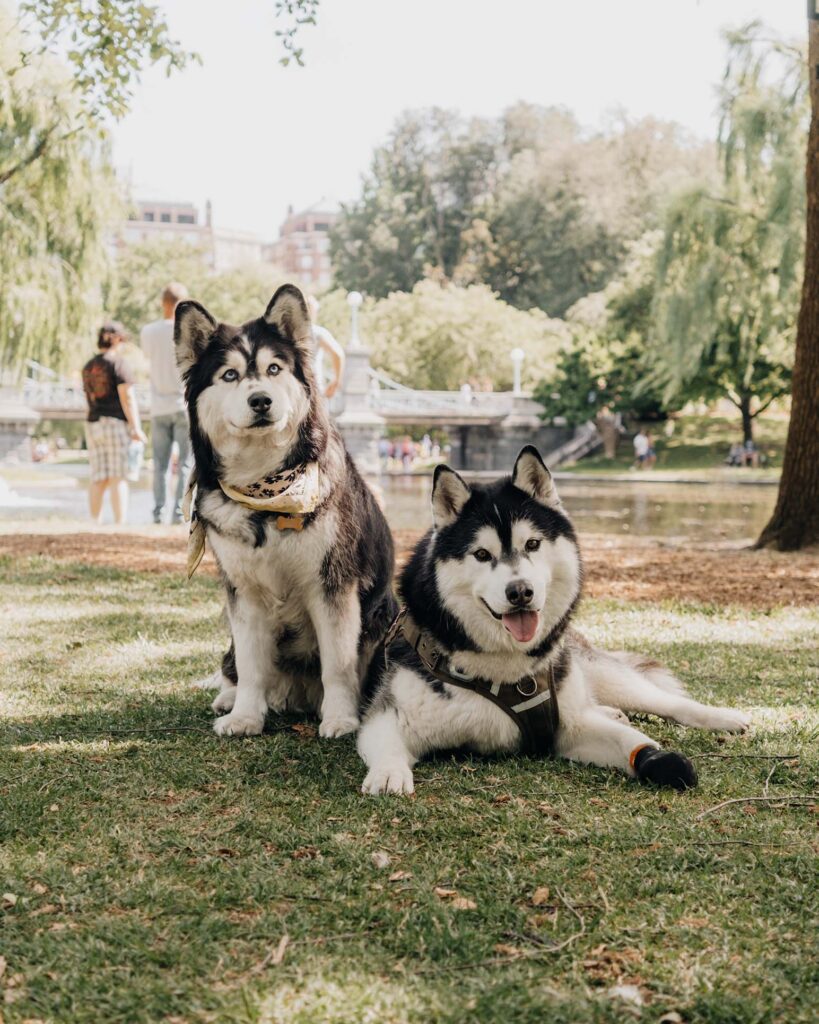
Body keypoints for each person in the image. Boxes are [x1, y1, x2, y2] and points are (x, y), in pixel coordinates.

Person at [82, 322, 146, 524]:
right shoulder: (118, 363)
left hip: (93, 423)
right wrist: (136, 427)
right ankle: (119, 523)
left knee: (98, 477)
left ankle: (94, 522)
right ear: (116, 339)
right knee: (118, 475)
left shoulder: (88, 366)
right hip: (115, 423)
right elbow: (127, 397)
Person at [140, 282, 191, 524]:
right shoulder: (188, 333)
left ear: (163, 303)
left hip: (158, 407)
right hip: (183, 406)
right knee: (184, 464)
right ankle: (178, 514)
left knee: (159, 465)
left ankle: (157, 512)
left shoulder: (149, 331)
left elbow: (148, 357)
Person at [307, 295, 345, 399]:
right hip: (313, 389)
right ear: (313, 311)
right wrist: (336, 381)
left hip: (291, 391)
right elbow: (338, 354)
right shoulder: (317, 332)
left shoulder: (286, 333)